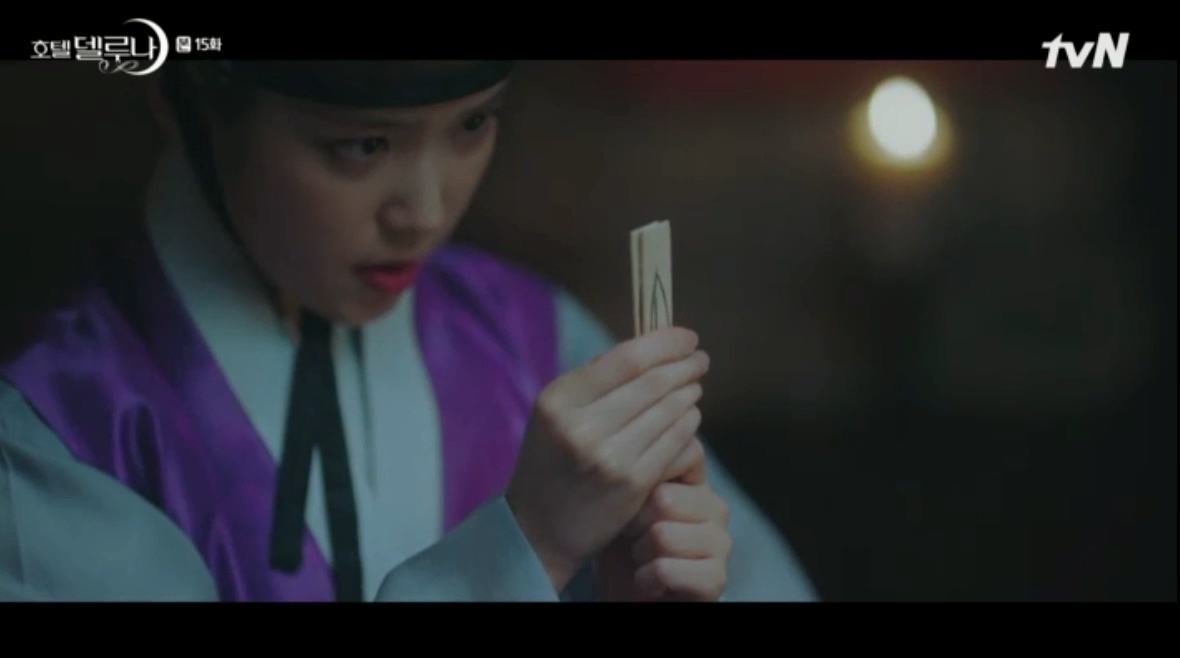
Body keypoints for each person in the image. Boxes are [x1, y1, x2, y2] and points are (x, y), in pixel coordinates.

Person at [0, 60, 816, 602]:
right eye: (361, 146)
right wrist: (525, 549)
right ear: (183, 103)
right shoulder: (63, 426)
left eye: (473, 125)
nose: (424, 212)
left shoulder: (531, 335)